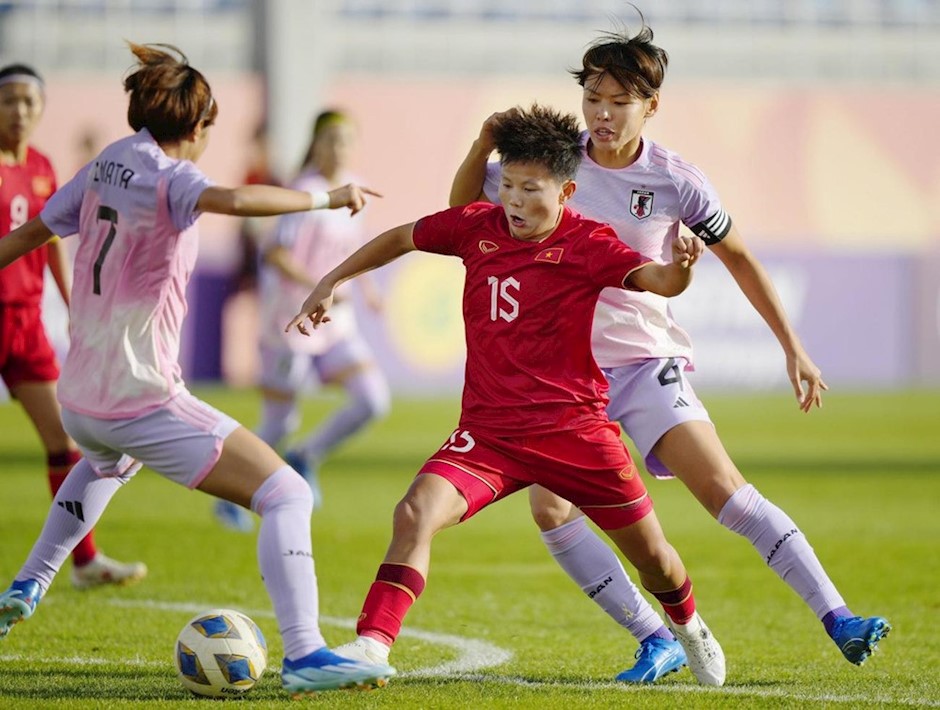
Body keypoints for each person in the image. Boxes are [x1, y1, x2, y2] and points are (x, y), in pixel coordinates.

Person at [449, 21, 890, 682]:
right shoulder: (553, 161)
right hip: (564, 375)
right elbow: (462, 212)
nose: (601, 113)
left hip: (645, 361)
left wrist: (793, 348)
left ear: (650, 106)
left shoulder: (677, 181)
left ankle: (840, 617)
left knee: (724, 493)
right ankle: (656, 638)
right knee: (550, 509)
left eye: (618, 100)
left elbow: (739, 259)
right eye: (593, 96)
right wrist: (483, 143)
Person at [0, 43, 395, 696]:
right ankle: (306, 654)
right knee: (286, 494)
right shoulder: (170, 178)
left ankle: (28, 582)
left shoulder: (104, 164)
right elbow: (236, 198)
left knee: (104, 462)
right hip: (142, 397)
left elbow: (28, 236)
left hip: (83, 396)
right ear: (200, 126)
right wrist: (326, 198)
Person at [288, 104, 727, 687]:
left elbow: (658, 281)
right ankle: (371, 648)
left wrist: (683, 269)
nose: (516, 201)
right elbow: (400, 236)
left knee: (654, 560)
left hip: (575, 434)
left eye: (531, 189)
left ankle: (689, 627)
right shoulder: (476, 226)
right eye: (510, 186)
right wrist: (331, 280)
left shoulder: (590, 242)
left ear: (567, 191)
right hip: (489, 435)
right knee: (414, 513)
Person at [0, 62, 146, 589]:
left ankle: (83, 563)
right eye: (9, 100)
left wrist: (70, 300)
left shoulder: (40, 165)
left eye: (29, 102)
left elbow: (49, 238)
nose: (19, 111)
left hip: (23, 323)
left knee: (63, 444)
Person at [215, 109, 390, 532]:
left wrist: (364, 288)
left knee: (372, 400)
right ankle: (228, 493)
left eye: (345, 140)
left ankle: (305, 456)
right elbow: (274, 254)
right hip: (291, 320)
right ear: (315, 144)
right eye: (330, 139)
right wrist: (319, 284)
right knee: (279, 422)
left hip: (335, 321)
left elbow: (352, 250)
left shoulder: (353, 189)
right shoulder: (305, 192)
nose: (338, 148)